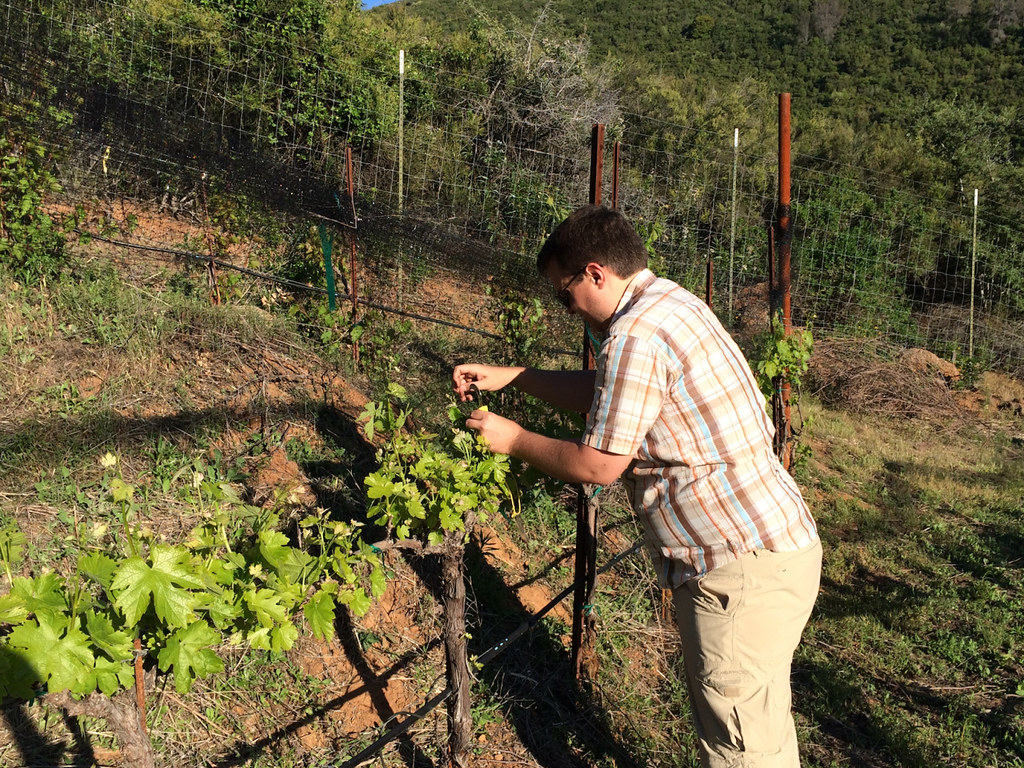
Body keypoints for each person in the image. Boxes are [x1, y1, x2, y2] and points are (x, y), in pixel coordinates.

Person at [452, 204, 821, 768]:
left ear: (595, 273)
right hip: (775, 549)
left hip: (734, 571)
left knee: (741, 749)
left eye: (564, 291)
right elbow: (617, 394)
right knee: (761, 729)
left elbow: (599, 464)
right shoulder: (668, 302)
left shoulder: (634, 335)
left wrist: (512, 438)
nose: (566, 306)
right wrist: (517, 377)